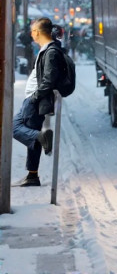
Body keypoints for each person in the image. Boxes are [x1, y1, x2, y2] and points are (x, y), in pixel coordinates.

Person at [12, 17, 62, 186]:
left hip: (34, 99)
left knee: (16, 128)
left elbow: (49, 78)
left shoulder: (51, 51)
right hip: (32, 98)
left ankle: (41, 138)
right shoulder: (46, 49)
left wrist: (35, 97)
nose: (31, 34)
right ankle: (32, 174)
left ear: (39, 33)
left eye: (33, 31)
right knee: (26, 132)